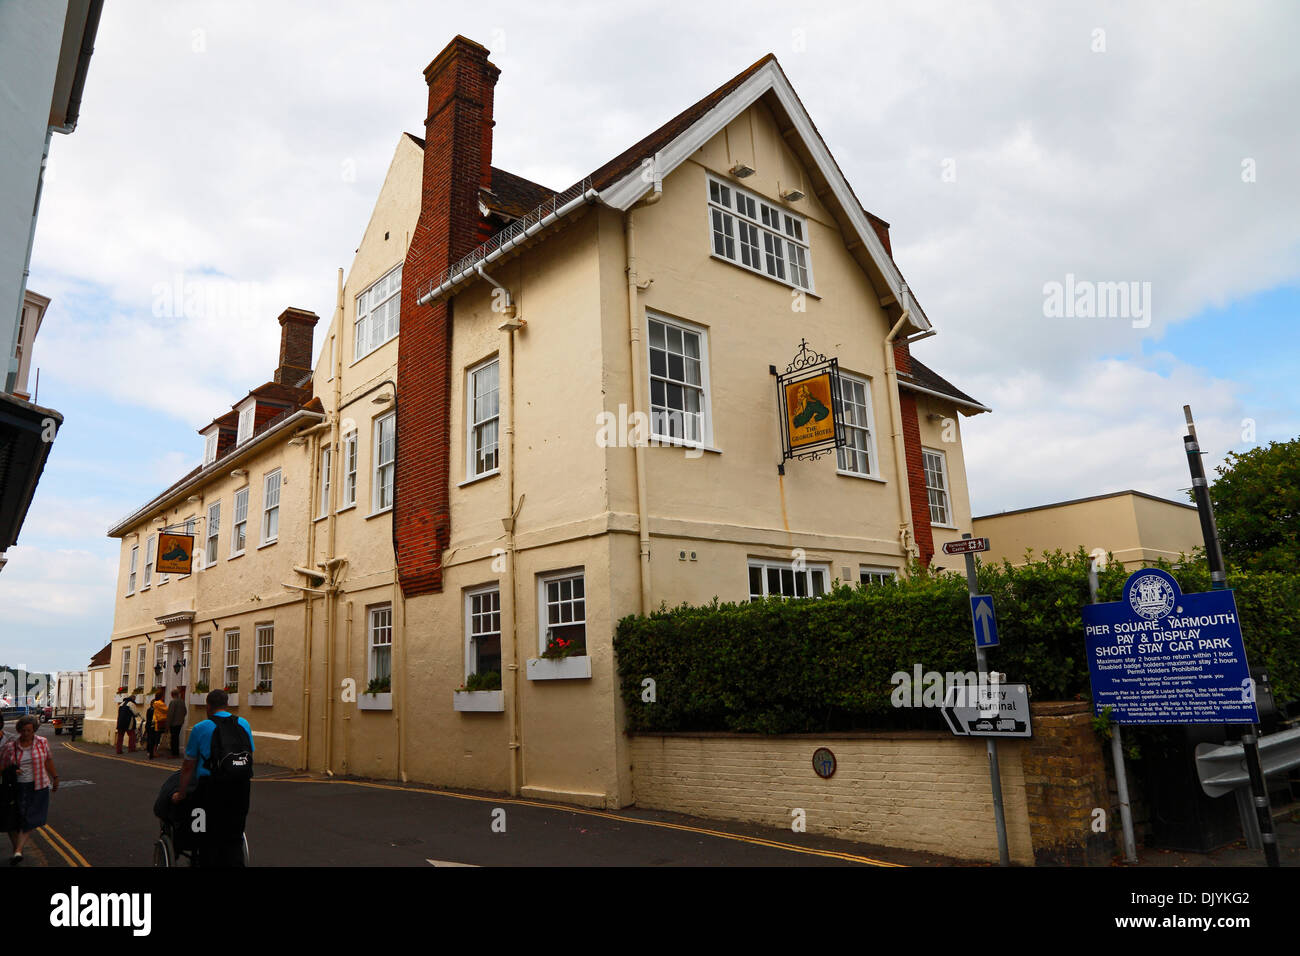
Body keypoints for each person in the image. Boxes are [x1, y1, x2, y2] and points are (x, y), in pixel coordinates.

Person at [172, 689, 253, 867]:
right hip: (240, 788)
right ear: (227, 704)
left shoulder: (201, 728)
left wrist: (181, 793)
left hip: (210, 788)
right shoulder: (244, 724)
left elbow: (188, 766)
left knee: (206, 835)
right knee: (234, 835)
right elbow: (249, 753)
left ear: (208, 707)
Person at [1, 715, 59, 864]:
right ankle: (18, 850)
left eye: (29, 730)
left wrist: (55, 777)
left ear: (34, 730)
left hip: (39, 785)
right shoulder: (10, 747)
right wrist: (12, 771)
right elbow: (2, 767)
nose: (26, 733)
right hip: (20, 787)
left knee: (31, 818)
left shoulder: (42, 742)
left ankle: (18, 850)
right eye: (23, 730)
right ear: (19, 731)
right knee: (22, 818)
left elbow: (48, 760)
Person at [166, 688, 187, 758]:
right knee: (176, 738)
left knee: (173, 738)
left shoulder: (173, 702)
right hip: (180, 722)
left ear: (172, 695)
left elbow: (170, 714)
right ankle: (176, 753)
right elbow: (185, 711)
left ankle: (174, 754)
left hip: (173, 723)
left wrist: (167, 724)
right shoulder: (182, 701)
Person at [146, 690, 167, 759]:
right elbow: (167, 710)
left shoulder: (154, 705)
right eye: (163, 696)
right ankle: (153, 753)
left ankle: (151, 752)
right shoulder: (159, 703)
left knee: (152, 738)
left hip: (152, 723)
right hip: (158, 723)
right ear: (161, 697)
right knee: (156, 739)